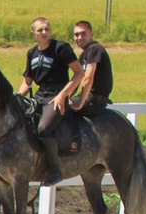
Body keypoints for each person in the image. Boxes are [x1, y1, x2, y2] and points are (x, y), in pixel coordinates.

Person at [37, 19, 112, 153]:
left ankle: (71, 144)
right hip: (88, 97)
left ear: (92, 34)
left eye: (83, 34)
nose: (79, 38)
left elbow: (88, 78)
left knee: (59, 111)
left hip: (94, 99)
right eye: (76, 35)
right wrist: (67, 96)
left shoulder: (95, 49)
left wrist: (80, 103)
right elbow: (77, 82)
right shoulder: (84, 54)